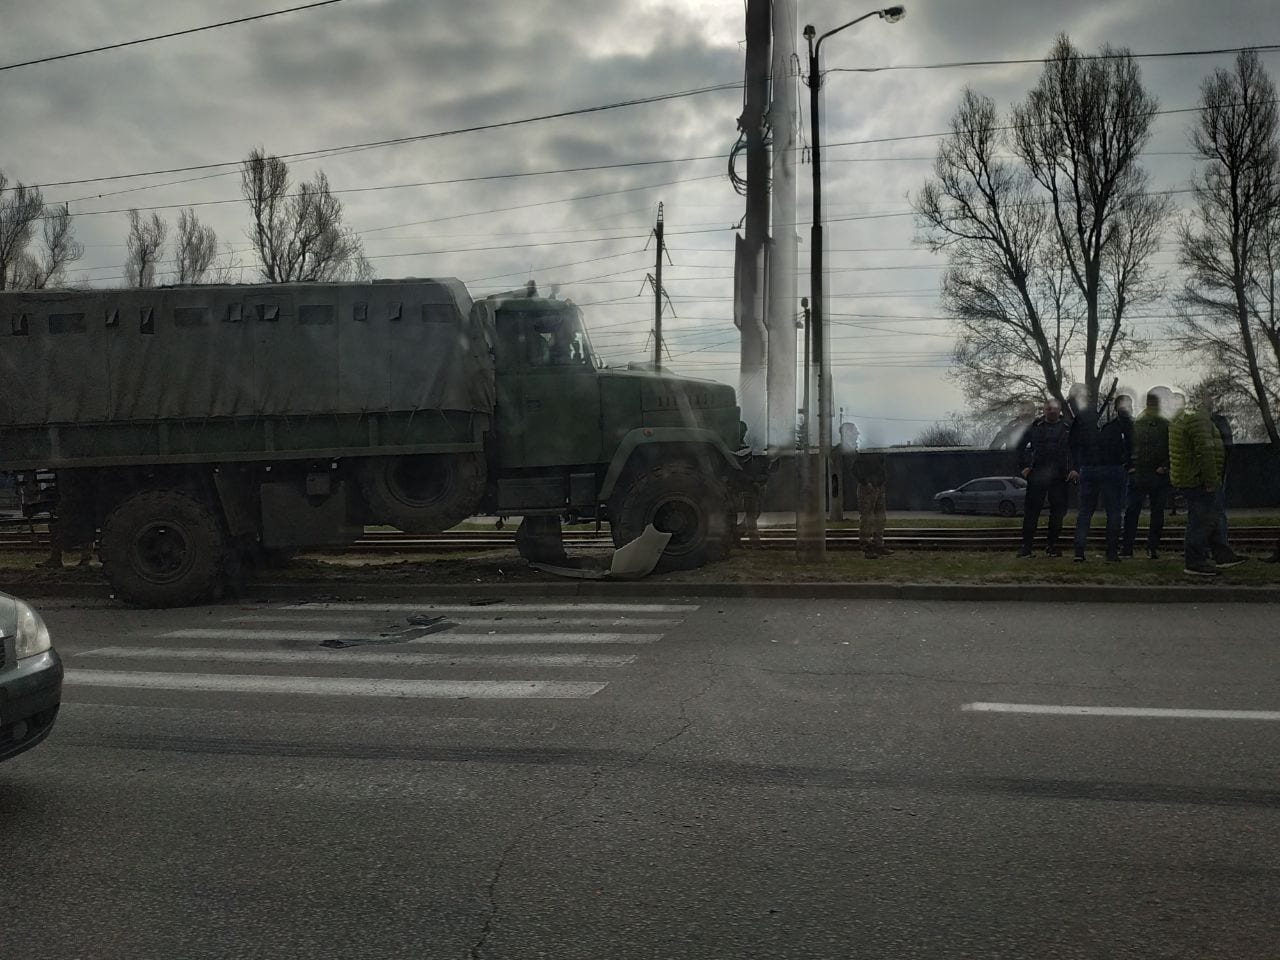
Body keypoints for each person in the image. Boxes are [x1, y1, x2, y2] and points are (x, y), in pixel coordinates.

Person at [1168, 397, 1246, 577]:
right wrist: (1211, 480)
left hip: (1189, 476)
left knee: (1212, 516)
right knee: (1201, 520)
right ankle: (1195, 562)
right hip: (1200, 480)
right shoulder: (1198, 420)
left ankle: (1222, 554)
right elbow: (1205, 451)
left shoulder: (1179, 420)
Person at [1070, 389, 1132, 562]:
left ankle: (1079, 551)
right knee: (1113, 512)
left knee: (1085, 512)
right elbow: (1130, 442)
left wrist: (1078, 464)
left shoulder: (1083, 419)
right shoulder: (1120, 421)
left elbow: (1073, 443)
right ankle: (1111, 552)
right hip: (1112, 467)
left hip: (1089, 468)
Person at [1015, 398, 1077, 557]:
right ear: (1043, 410)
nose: (1052, 411)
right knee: (1031, 512)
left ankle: (1052, 546)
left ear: (1059, 410)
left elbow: (1078, 449)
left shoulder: (1068, 427)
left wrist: (1075, 469)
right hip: (1037, 475)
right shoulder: (1034, 427)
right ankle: (1026, 547)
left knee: (1058, 512)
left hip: (1060, 475)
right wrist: (1024, 468)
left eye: (1055, 408)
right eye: (1049, 408)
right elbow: (1018, 448)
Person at [1122, 391, 1171, 560]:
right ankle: (1151, 548)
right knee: (1155, 513)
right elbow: (1169, 447)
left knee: (1132, 512)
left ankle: (1128, 548)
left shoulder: (1136, 423)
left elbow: (1127, 447)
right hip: (1155, 473)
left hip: (1139, 473)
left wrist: (1130, 466)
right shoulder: (1164, 424)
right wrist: (1165, 466)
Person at [852, 449, 889, 559]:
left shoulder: (878, 452)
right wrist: (866, 482)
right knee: (867, 517)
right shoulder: (864, 453)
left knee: (880, 517)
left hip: (878, 486)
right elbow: (855, 469)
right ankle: (867, 546)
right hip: (868, 487)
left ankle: (878, 544)